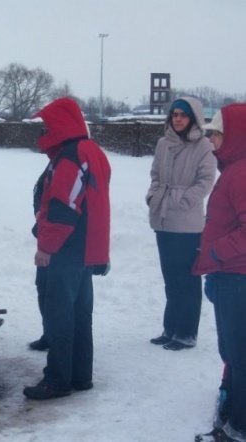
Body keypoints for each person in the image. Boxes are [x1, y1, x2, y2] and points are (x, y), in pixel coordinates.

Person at [23, 97, 110, 400]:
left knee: (59, 315)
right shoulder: (92, 152)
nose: (43, 132)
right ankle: (80, 376)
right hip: (86, 250)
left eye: (47, 126)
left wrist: (46, 246)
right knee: (79, 314)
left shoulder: (72, 157)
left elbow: (63, 208)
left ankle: (58, 379)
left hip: (67, 250)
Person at [193, 104, 246, 442]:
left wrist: (215, 253)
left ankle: (238, 428)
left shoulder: (241, 174)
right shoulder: (234, 169)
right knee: (234, 353)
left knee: (240, 356)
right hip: (228, 276)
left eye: (215, 132)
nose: (210, 139)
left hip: (236, 278)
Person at [146, 97, 216, 351]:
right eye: (174, 114)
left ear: (193, 118)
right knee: (170, 278)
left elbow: (206, 180)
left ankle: (186, 333)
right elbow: (155, 174)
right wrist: (153, 196)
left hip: (187, 224)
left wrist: (184, 200)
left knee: (187, 280)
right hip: (162, 219)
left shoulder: (203, 146)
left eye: (183, 115)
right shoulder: (163, 144)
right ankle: (171, 328)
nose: (177, 119)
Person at [28, 164, 51, 351]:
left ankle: (61, 337)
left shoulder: (69, 160)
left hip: (61, 243)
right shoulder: (53, 163)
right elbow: (39, 190)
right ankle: (49, 333)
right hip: (45, 233)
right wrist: (38, 212)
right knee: (43, 288)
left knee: (57, 294)